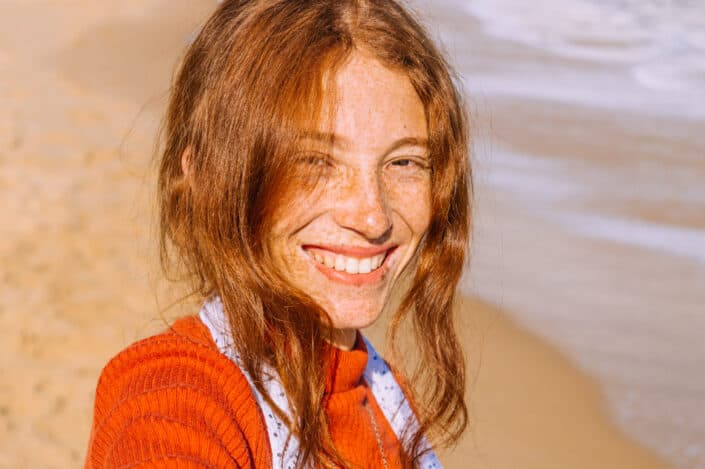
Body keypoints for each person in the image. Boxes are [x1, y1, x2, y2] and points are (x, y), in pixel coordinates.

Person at [84, 0, 471, 467]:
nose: (373, 217)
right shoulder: (171, 397)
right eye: (315, 162)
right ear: (208, 177)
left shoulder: (383, 395)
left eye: (403, 162)